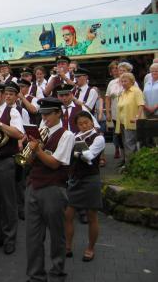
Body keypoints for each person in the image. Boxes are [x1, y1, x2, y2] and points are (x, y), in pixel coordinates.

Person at [25, 97, 74, 282]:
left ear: (58, 113)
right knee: (33, 236)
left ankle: (57, 273)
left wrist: (37, 150)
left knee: (57, 235)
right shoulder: (41, 131)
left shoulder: (66, 135)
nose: (44, 118)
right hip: (33, 185)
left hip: (54, 188)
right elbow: (28, 163)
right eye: (42, 114)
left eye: (47, 114)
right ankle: (35, 275)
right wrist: (29, 149)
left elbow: (54, 164)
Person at [0, 83, 24, 255]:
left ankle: (9, 238)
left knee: (8, 202)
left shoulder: (12, 111)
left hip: (4, 161)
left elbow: (19, 134)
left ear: (2, 94)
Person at [65, 111, 104, 263]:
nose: (83, 126)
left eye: (86, 123)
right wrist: (78, 153)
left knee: (92, 215)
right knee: (68, 214)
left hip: (91, 179)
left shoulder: (99, 137)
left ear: (91, 122)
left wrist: (76, 153)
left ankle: (90, 248)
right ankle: (68, 246)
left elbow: (90, 156)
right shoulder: (75, 136)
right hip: (75, 178)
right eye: (80, 124)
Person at [115, 73, 145, 162]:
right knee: (126, 144)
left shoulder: (136, 91)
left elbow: (141, 105)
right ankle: (131, 164)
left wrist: (137, 117)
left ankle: (130, 166)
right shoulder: (122, 93)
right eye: (122, 81)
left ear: (132, 81)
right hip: (122, 122)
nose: (123, 83)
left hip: (131, 122)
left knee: (130, 144)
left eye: (125, 81)